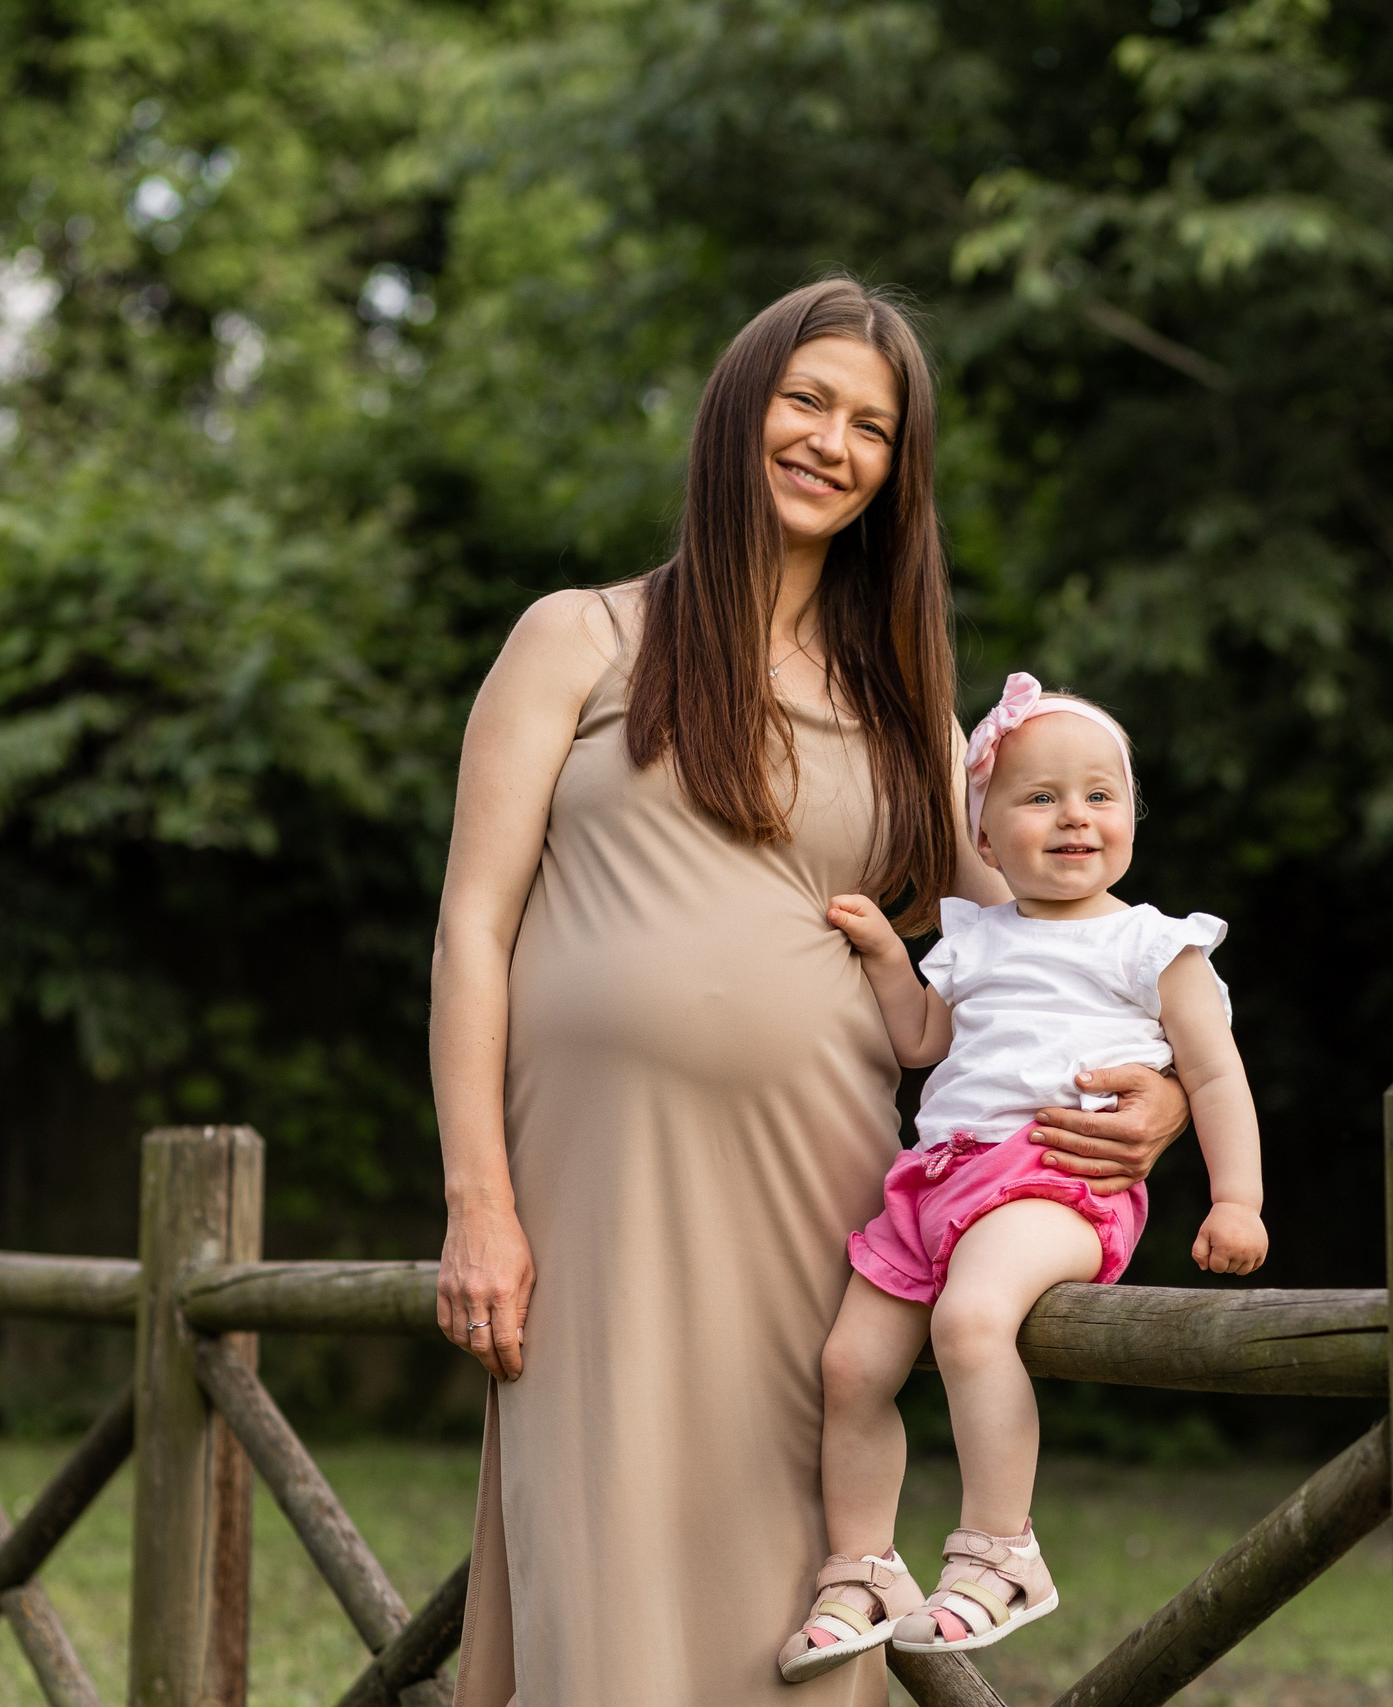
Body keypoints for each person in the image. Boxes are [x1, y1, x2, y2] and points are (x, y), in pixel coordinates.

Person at [430, 278, 1197, 1707]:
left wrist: (1160, 1085)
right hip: (593, 1188)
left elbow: (1032, 927)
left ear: (896, 472)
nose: (833, 442)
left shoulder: (907, 692)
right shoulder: (576, 638)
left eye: (873, 426)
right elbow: (473, 926)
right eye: (807, 401)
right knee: (594, 1548)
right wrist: (478, 1197)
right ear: (740, 412)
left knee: (795, 1590)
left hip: (824, 1194)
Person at [776, 673, 1268, 1681]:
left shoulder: (1155, 942)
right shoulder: (976, 936)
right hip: (936, 1183)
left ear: (1133, 818)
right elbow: (919, 1041)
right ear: (987, 839)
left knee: (969, 1322)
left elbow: (1214, 1072)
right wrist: (881, 953)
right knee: (850, 1366)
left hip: (1057, 1179)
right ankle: (862, 1567)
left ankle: (1002, 1553)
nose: (1073, 816)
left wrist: (1236, 1199)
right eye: (1038, 797)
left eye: (1099, 795)